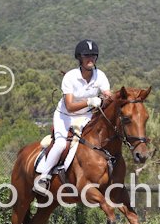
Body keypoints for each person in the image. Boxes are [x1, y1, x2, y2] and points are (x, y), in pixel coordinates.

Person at [33, 39, 113, 195]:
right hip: (65, 116)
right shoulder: (70, 77)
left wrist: (107, 98)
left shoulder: (100, 76)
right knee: (61, 144)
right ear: (80, 58)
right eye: (87, 56)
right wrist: (90, 101)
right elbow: (69, 105)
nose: (90, 59)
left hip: (86, 116)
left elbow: (108, 95)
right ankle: (43, 178)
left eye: (93, 56)